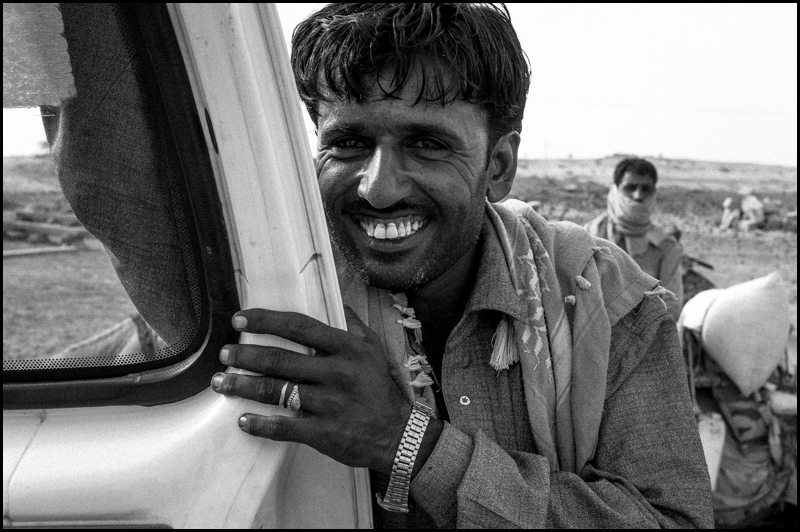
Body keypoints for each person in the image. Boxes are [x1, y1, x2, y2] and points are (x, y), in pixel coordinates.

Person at [211, 4, 713, 528]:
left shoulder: (604, 300)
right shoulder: (271, 289)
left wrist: (410, 445)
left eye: (427, 144)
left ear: (498, 166)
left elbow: (673, 520)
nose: (379, 189)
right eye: (349, 142)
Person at [586, 158, 684, 321]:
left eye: (645, 189)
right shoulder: (589, 235)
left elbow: (671, 305)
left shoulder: (666, 247)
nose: (638, 196)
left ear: (654, 193)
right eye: (630, 188)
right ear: (616, 190)